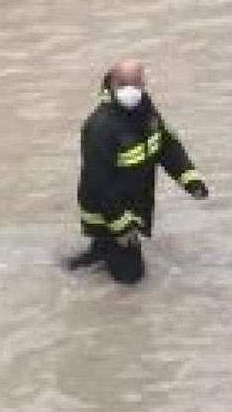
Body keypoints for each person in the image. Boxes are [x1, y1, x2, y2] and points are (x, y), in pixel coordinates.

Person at [68, 60, 210, 285]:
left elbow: (165, 145)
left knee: (105, 256)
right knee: (132, 280)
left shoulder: (145, 110)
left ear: (144, 83)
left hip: (131, 202)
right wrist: (122, 227)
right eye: (123, 84)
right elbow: (101, 184)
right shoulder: (100, 126)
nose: (130, 90)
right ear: (111, 84)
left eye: (136, 83)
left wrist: (190, 180)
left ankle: (88, 262)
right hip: (108, 212)